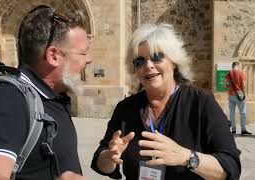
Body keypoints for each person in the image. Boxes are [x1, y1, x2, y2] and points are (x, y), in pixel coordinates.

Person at [91, 23, 241, 180]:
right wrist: (109, 157)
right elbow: (101, 162)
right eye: (140, 61)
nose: (148, 65)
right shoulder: (126, 108)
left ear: (174, 62)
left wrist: (187, 157)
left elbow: (230, 167)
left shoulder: (201, 102)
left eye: (157, 57)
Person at [0, 6, 91, 180]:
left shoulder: (54, 96)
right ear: (53, 56)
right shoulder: (7, 98)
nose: (89, 59)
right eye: (83, 52)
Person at [224, 62, 251, 135]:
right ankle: (243, 130)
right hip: (239, 94)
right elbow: (244, 85)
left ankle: (233, 130)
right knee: (242, 113)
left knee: (232, 113)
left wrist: (229, 88)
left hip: (231, 95)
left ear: (232, 66)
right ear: (237, 66)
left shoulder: (228, 74)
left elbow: (225, 84)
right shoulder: (241, 74)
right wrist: (243, 93)